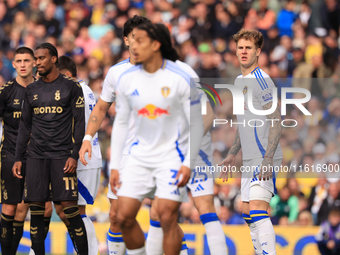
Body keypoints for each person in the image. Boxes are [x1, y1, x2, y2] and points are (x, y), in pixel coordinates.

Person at [82, 22, 204, 255]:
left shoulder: (182, 74)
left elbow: (198, 121)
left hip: (170, 156)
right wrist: (114, 164)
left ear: (156, 44)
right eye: (133, 40)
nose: (135, 47)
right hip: (135, 157)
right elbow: (119, 121)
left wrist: (188, 161)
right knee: (120, 216)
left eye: (141, 41)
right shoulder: (124, 76)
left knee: (165, 216)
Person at [145, 25, 228, 255]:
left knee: (205, 208)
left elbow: (208, 114)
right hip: (166, 150)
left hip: (193, 147)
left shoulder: (184, 72)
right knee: (158, 212)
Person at [79, 15, 151, 255]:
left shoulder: (165, 69)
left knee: (165, 215)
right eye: (134, 36)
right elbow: (101, 108)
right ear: (126, 40)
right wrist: (88, 138)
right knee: (115, 215)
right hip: (126, 153)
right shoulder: (116, 72)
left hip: (159, 150)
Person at [12, 43, 87, 255]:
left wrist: (74, 154)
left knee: (70, 210)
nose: (37, 63)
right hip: (36, 157)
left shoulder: (71, 87)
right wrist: (19, 157)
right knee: (36, 211)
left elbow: (79, 123)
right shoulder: (32, 89)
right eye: (35, 59)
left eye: (41, 58)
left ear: (54, 59)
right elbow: (25, 126)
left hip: (63, 157)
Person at [219, 29, 283, 255]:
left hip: (264, 155)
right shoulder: (239, 81)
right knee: (247, 213)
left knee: (257, 211)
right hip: (249, 157)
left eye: (248, 48)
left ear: (258, 52)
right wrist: (232, 152)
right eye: (240, 48)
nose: (243, 52)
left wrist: (267, 158)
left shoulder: (262, 81)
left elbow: (276, 120)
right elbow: (243, 121)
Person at [0, 46, 53, 255]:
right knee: (10, 209)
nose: (23, 65)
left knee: (40, 207)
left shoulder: (45, 88)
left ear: (34, 63)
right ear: (14, 65)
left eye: (27, 61)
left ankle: (36, 252)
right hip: (10, 155)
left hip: (38, 156)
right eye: (19, 61)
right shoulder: (5, 91)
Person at [55, 55, 102, 255]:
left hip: (83, 159)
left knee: (77, 211)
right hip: (85, 156)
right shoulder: (86, 89)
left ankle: (90, 252)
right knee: (65, 210)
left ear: (66, 75)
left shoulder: (76, 91)